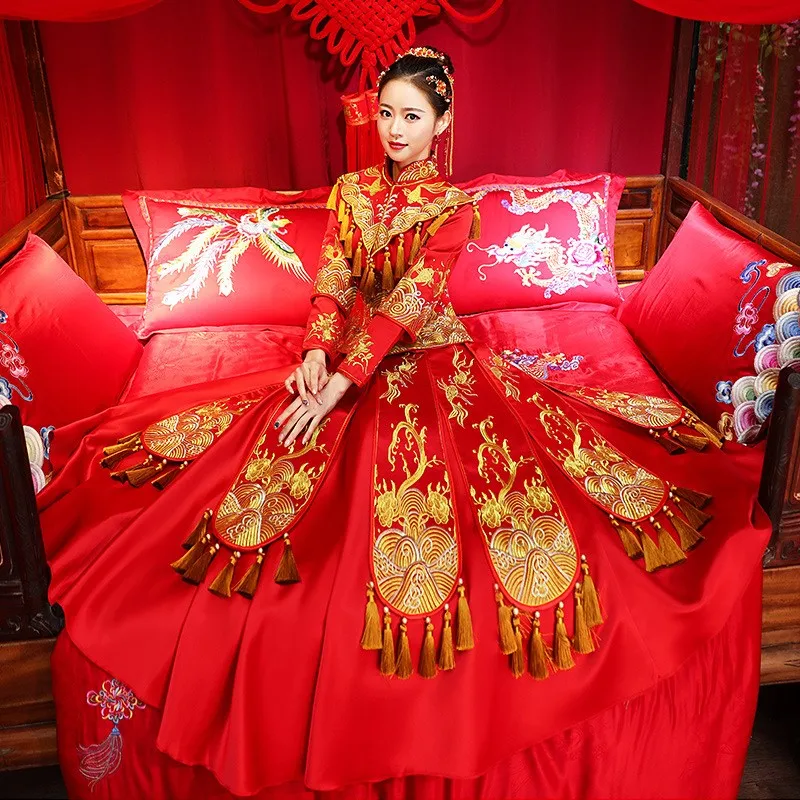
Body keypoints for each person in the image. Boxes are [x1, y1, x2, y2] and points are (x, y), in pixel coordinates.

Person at [39, 46, 769, 799]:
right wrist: (317, 354)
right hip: (346, 359)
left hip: (433, 362)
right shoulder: (352, 190)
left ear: (442, 124)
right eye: (386, 113)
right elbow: (335, 281)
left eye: (412, 117)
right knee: (249, 479)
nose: (394, 129)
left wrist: (346, 382)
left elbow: (410, 303)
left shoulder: (454, 208)